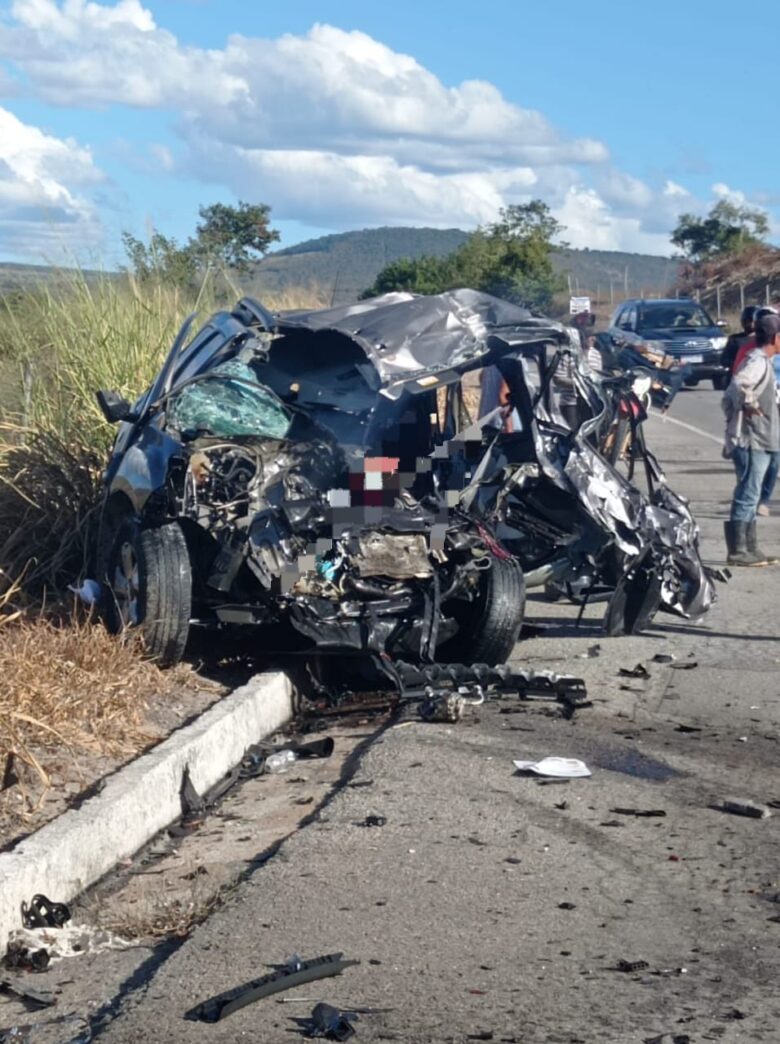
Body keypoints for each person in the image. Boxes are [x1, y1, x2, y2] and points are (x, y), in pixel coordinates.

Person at [722, 313, 780, 565]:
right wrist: (750, 405)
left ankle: (750, 547)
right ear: (776, 338)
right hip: (751, 439)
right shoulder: (757, 361)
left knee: (753, 494)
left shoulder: (764, 361)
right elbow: (739, 384)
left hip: (761, 438)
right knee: (748, 493)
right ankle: (738, 551)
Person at [757, 343, 780, 515]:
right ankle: (758, 498)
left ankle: (763, 499)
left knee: (775, 459)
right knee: (767, 457)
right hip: (764, 411)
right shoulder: (759, 357)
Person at [721, 306, 758, 378]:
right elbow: (724, 360)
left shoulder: (765, 339)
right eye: (749, 321)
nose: (751, 324)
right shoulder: (735, 339)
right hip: (738, 376)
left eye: (754, 321)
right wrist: (738, 363)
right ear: (744, 321)